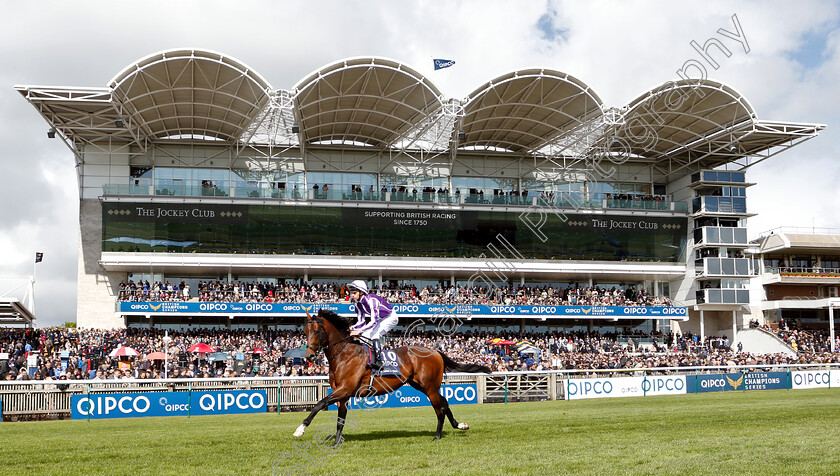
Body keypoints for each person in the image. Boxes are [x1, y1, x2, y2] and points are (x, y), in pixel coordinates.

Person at [346, 279, 398, 370]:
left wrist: (359, 330)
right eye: (352, 293)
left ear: (361, 292)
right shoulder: (357, 305)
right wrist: (351, 328)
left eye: (354, 293)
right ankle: (366, 360)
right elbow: (361, 322)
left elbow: (373, 321)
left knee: (375, 335)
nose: (352, 295)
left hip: (390, 317)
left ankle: (379, 362)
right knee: (362, 336)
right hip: (380, 320)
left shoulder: (371, 299)